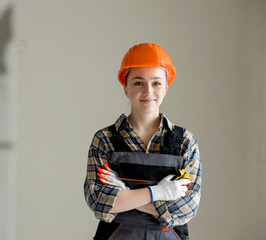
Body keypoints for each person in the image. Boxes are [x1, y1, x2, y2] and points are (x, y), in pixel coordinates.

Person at [83, 43, 201, 240]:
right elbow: (99, 201)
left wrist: (124, 194)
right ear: (126, 88)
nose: (148, 91)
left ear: (166, 87)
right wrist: (159, 192)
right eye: (138, 82)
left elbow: (187, 208)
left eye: (156, 83)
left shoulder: (184, 142)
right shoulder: (104, 140)